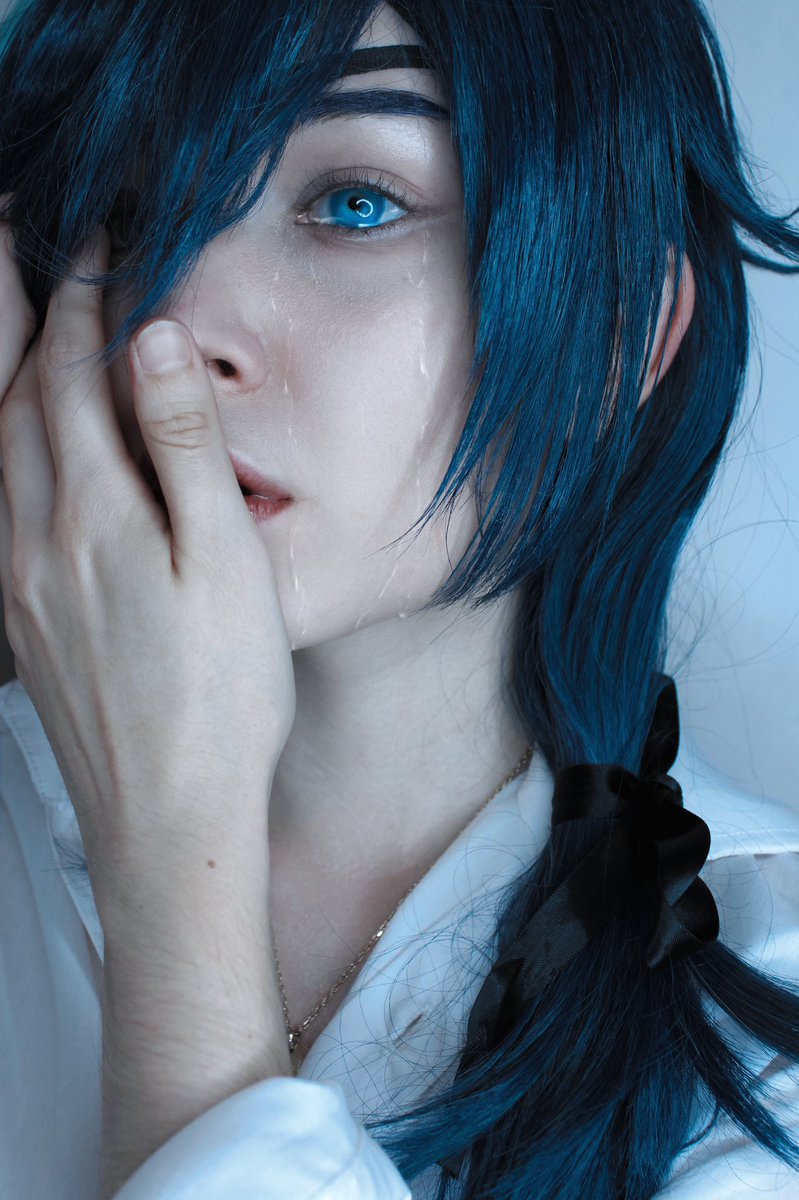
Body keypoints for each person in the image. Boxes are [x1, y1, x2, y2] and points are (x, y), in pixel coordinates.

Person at [0, 0, 798, 1197]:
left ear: (625, 326)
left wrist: (175, 876)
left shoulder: (765, 1019)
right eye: (132, 212)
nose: (176, 324)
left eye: (355, 204)